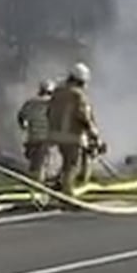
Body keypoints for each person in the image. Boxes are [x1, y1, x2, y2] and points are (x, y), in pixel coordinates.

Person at [47, 62, 103, 195]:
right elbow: (84, 117)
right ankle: (67, 193)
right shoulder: (78, 96)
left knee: (67, 163)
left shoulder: (58, 92)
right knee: (72, 165)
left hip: (56, 134)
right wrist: (94, 135)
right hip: (72, 136)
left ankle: (59, 186)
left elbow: (49, 112)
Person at [17, 79, 55, 181]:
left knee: (35, 163)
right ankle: (39, 186)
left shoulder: (30, 103)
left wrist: (24, 126)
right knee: (43, 164)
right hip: (46, 139)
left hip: (32, 138)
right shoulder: (53, 104)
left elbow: (21, 117)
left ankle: (35, 183)